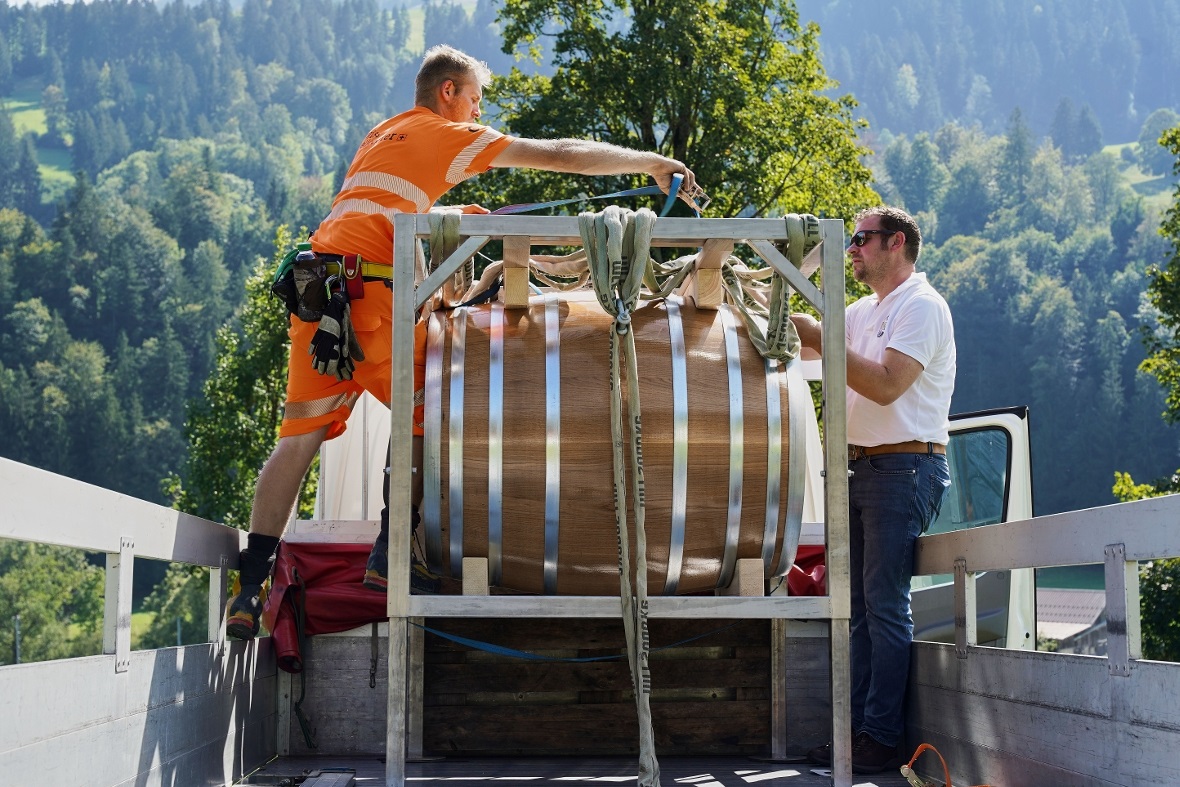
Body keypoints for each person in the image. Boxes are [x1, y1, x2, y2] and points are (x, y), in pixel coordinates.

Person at [225, 45, 699, 641]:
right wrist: (648, 162)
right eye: (475, 98)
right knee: (439, 415)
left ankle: (250, 586)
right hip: (370, 302)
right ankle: (393, 551)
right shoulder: (444, 134)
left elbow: (385, 212)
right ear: (448, 91)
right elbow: (556, 155)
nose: (478, 112)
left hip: (320, 298)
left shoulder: (385, 133)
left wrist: (449, 212)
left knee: (297, 441)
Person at [790, 206, 954, 774]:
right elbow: (807, 349)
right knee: (860, 610)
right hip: (865, 468)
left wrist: (816, 335)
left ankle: (879, 738)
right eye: (852, 239)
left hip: (904, 466)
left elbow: (885, 386)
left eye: (861, 239)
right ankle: (858, 735)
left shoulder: (923, 307)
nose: (852, 248)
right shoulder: (865, 309)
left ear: (897, 244)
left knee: (881, 608)